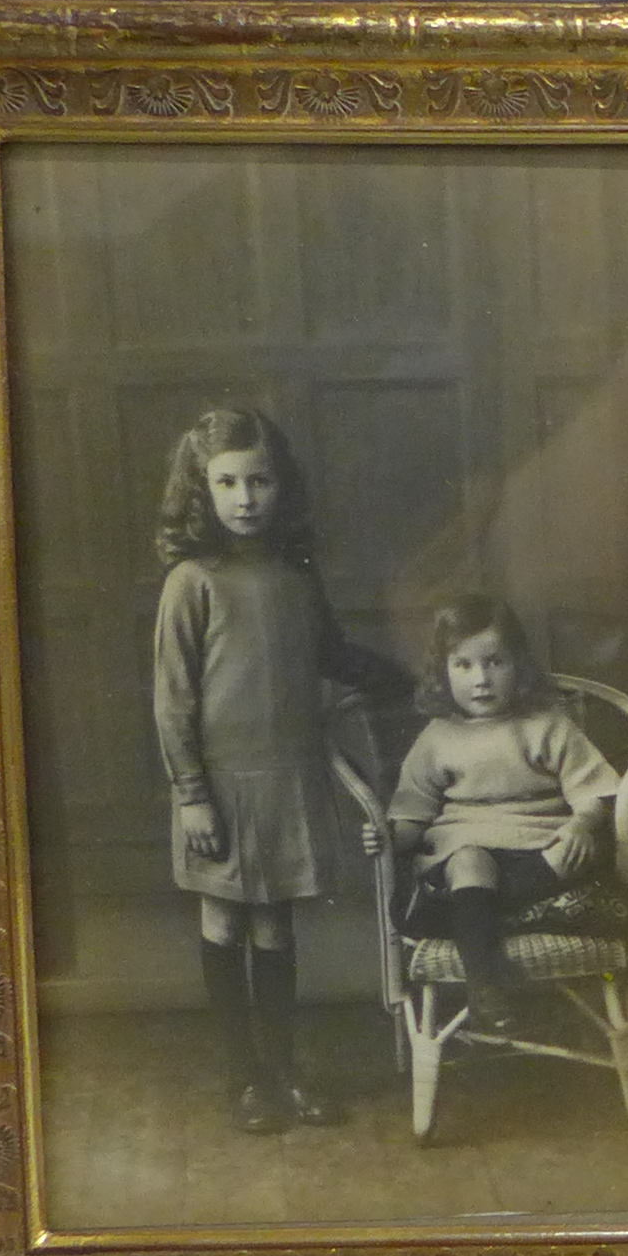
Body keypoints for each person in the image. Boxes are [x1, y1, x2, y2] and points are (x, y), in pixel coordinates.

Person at [151, 406, 404, 1134]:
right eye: (226, 482)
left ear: (279, 486)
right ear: (202, 490)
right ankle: (245, 1081)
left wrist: (410, 680)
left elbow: (331, 656)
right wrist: (192, 796)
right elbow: (173, 703)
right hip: (220, 789)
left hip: (288, 778)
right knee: (227, 920)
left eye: (258, 480)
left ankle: (285, 1073)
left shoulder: (296, 576)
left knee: (276, 929)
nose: (244, 497)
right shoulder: (191, 582)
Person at [372, 594, 622, 1030]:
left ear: (518, 666)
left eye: (495, 663)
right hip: (467, 857)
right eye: (463, 666)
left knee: (573, 851)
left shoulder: (548, 724)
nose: (480, 679)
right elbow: (413, 810)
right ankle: (487, 988)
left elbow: (591, 791)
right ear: (443, 671)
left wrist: (582, 823)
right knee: (469, 860)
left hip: (537, 853)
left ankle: (476, 916)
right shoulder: (438, 737)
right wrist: (389, 838)